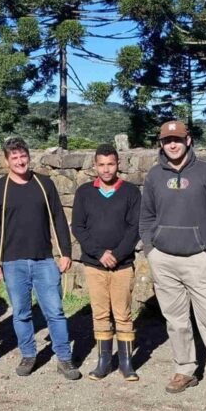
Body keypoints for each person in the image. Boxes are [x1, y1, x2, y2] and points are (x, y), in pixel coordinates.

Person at [140, 120, 206, 402]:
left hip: (198, 259)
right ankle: (185, 369)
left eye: (177, 139)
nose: (172, 144)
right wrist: (151, 249)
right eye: (166, 140)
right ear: (160, 143)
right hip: (163, 258)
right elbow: (146, 216)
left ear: (188, 140)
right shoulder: (153, 176)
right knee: (176, 321)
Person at [0, 137, 80, 380]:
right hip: (12, 261)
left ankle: (64, 358)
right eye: (14, 157)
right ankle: (28, 354)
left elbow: (58, 218)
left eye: (22, 156)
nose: (19, 161)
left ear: (29, 156)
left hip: (44, 259)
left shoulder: (44, 184)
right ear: (7, 161)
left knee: (56, 311)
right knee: (21, 312)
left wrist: (65, 252)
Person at [71, 143, 141, 381]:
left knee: (122, 313)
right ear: (95, 166)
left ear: (118, 164)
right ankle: (103, 361)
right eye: (101, 164)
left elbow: (135, 228)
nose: (106, 169)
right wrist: (100, 253)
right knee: (100, 313)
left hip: (122, 264)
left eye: (110, 164)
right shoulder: (84, 192)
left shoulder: (131, 192)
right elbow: (78, 227)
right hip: (94, 263)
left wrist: (118, 254)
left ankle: (126, 362)